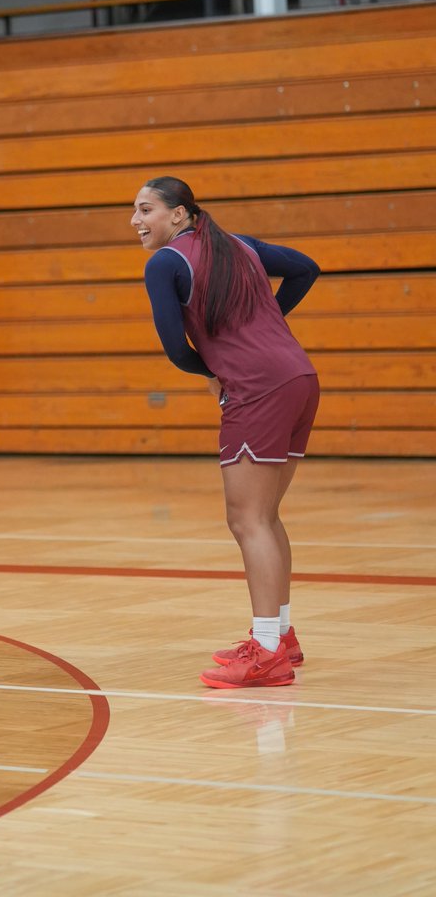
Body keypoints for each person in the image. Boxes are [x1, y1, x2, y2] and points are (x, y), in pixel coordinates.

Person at [132, 177, 320, 690]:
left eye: (145, 210)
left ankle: (264, 653)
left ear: (177, 214)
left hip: (257, 388)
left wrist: (212, 368)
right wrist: (267, 323)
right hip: (299, 378)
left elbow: (175, 348)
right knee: (266, 516)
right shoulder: (241, 245)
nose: (135, 221)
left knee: (247, 521)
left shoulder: (166, 263)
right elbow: (306, 268)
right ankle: (279, 635)